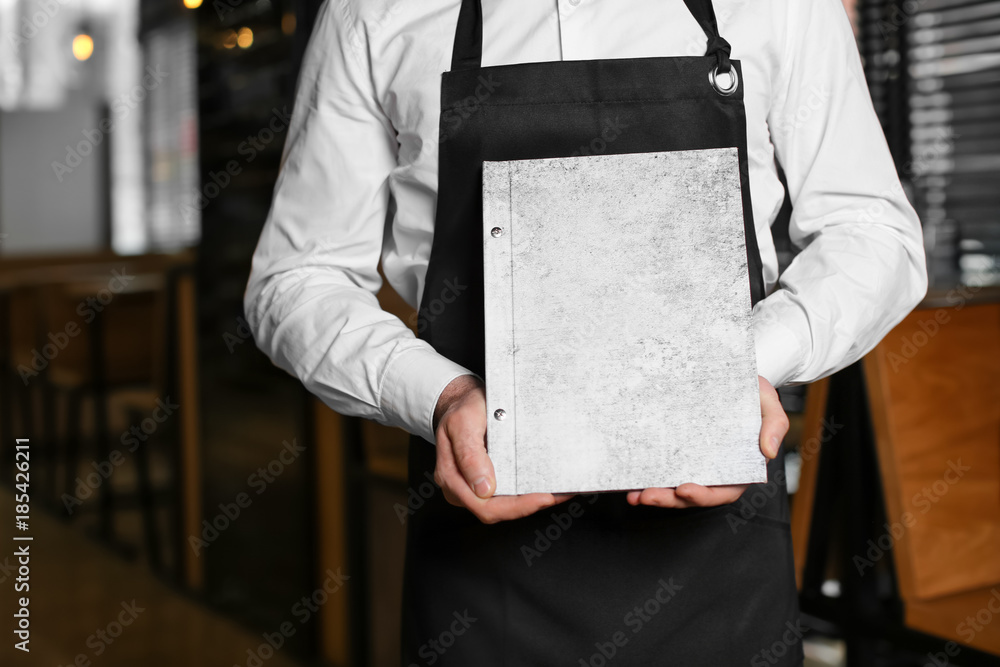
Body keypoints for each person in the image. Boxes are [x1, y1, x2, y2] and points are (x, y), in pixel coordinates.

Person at [245, 0, 927, 664]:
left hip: (718, 564)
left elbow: (873, 234)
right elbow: (297, 277)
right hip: (485, 576)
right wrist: (440, 396)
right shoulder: (374, 12)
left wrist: (731, 369)